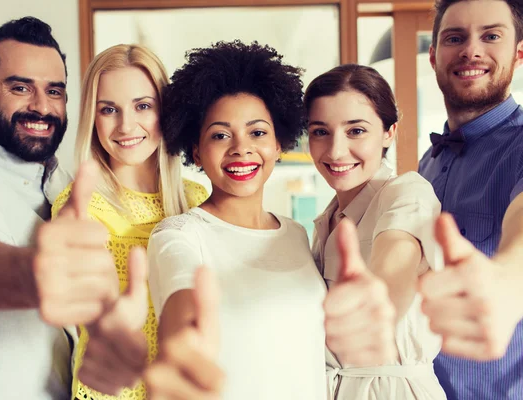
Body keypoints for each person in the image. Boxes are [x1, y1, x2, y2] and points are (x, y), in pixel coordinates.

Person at [143, 41, 396, 400]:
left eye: (257, 132)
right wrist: (181, 344)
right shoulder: (178, 236)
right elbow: (181, 302)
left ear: (280, 143)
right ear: (196, 150)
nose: (240, 148)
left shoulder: (295, 233)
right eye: (220, 135)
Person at [0, 17, 146, 400]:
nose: (41, 107)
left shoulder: (69, 187)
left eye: (54, 91)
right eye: (21, 88)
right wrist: (35, 275)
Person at [51, 44, 207, 400]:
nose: (126, 125)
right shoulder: (77, 209)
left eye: (142, 106)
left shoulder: (197, 200)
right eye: (109, 109)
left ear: (163, 111)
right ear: (93, 117)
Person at [305, 64, 445, 399]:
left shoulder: (407, 192)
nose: (336, 151)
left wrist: (379, 299)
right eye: (320, 131)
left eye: (355, 131)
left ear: (389, 132)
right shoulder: (326, 220)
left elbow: (397, 252)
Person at [417, 0, 523, 398]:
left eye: (491, 36)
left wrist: (510, 283)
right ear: (433, 55)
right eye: (455, 38)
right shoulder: (427, 163)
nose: (471, 50)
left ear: (518, 52)